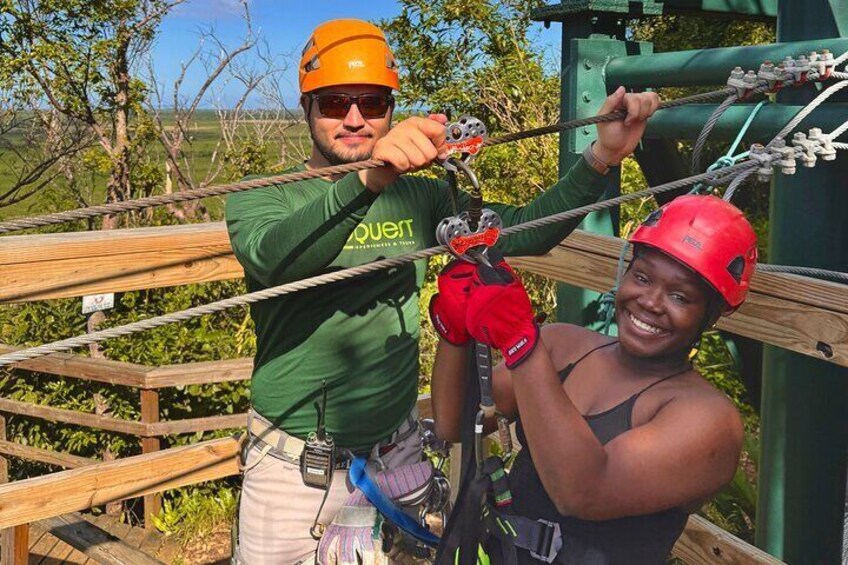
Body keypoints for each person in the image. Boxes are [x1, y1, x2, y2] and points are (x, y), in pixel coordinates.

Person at [225, 17, 660, 564]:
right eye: (336, 103)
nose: (355, 119)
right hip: (294, 468)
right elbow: (279, 259)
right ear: (307, 106)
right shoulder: (261, 199)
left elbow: (526, 231)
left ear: (389, 107)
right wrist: (369, 180)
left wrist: (601, 157)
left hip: (397, 453)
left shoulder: (423, 198)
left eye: (372, 103)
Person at [429, 195, 757, 564]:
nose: (650, 301)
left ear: (710, 316)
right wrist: (454, 332)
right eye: (642, 277)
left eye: (680, 296)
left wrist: (521, 343)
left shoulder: (708, 420)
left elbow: (582, 493)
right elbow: (453, 423)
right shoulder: (563, 346)